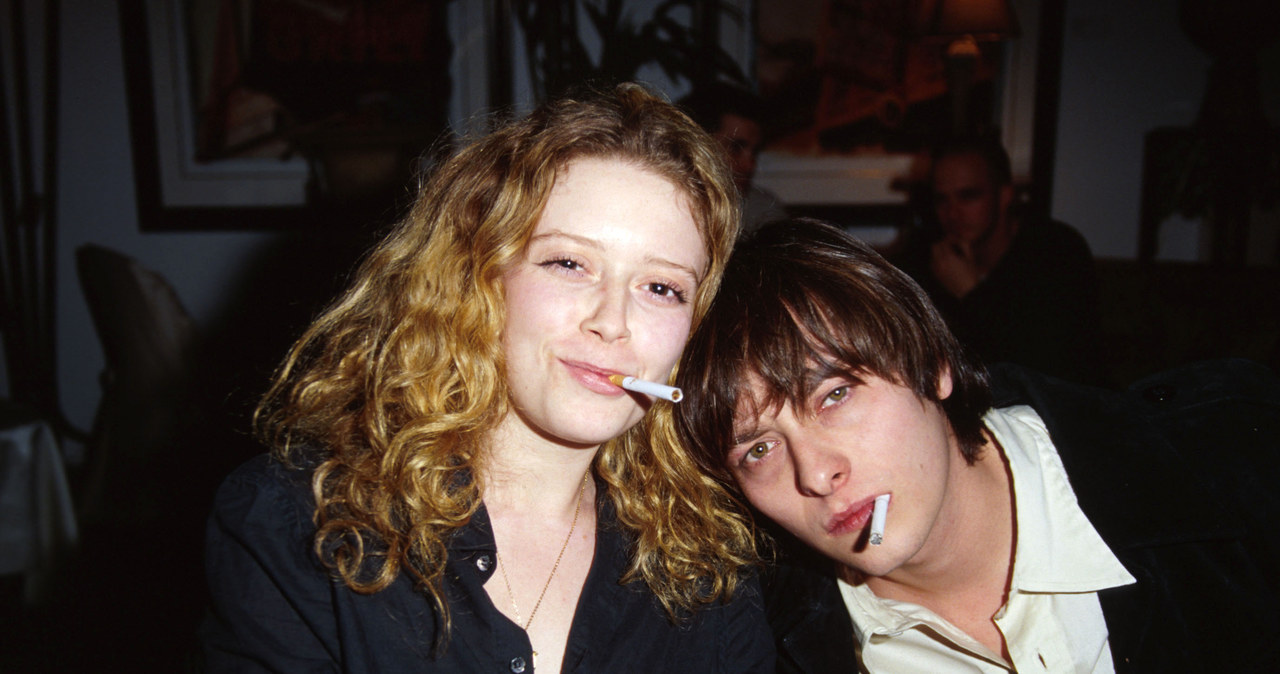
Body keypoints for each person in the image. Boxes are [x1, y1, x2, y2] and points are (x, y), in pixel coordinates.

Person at [200, 83, 774, 672]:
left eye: (661, 288)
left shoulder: (709, 566)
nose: (613, 323)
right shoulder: (301, 523)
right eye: (569, 263)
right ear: (477, 276)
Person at [675, 218, 1280, 673]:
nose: (817, 474)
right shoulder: (764, 642)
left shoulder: (1228, 461)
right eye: (758, 449)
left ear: (932, 362)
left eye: (835, 395)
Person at [893, 136, 1103, 383]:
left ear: (1004, 196)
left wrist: (972, 294)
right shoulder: (930, 253)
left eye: (968, 196)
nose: (952, 212)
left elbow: (1045, 369)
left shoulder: (1055, 250)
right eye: (942, 199)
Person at [679, 82, 788, 234]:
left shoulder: (763, 211)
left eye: (755, 152)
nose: (750, 165)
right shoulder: (666, 204)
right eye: (735, 148)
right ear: (698, 145)